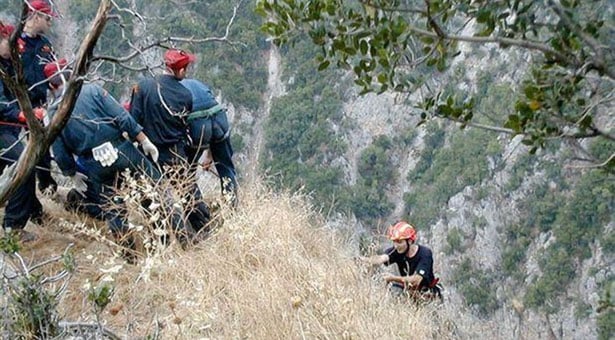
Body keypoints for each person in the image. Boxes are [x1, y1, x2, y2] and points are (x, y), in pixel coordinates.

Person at [44, 59, 188, 251]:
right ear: (72, 75)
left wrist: (72, 173)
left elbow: (60, 151)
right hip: (121, 149)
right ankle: (176, 241)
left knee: (114, 209)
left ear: (51, 85)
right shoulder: (92, 91)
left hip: (93, 162)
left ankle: (129, 255)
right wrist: (143, 139)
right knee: (156, 190)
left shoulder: (53, 112)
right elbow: (121, 116)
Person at [129, 49, 211, 234]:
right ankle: (204, 230)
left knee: (149, 196)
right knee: (188, 191)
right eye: (186, 68)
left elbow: (133, 121)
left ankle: (161, 235)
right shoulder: (185, 95)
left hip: (148, 153)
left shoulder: (142, 86)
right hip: (175, 153)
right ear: (180, 70)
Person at [0, 22, 44, 242]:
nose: (15, 50)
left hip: (6, 127)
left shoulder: (6, 65)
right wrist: (21, 114)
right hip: (2, 130)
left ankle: (33, 211)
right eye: (11, 45)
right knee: (23, 166)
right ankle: (13, 227)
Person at [181, 78, 238, 208]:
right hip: (219, 118)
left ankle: (199, 213)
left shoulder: (175, 89)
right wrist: (209, 156)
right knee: (226, 169)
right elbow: (211, 118)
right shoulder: (197, 83)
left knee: (187, 173)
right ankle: (231, 210)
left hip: (197, 125)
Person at [21, 0, 59, 193]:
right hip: (17, 102)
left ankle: (46, 183)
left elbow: (51, 72)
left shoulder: (45, 45)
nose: (50, 23)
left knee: (42, 145)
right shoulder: (14, 41)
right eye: (47, 18)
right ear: (36, 16)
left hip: (39, 102)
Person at [360, 221, 442, 302]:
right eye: (394, 242)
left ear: (409, 241)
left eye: (399, 242)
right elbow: (381, 259)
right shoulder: (397, 251)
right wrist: (363, 260)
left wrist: (393, 278)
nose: (396, 246)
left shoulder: (425, 254)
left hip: (427, 296)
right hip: (410, 293)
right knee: (392, 290)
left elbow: (416, 281)